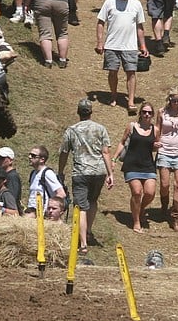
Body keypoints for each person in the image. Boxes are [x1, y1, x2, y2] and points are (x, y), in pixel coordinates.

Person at [58, 98, 114, 254]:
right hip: (99, 171)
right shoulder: (100, 129)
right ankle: (88, 231)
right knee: (93, 201)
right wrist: (110, 173)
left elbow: (64, 153)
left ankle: (82, 243)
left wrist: (61, 171)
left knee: (81, 206)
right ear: (91, 112)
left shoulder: (71, 130)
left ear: (78, 112)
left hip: (81, 172)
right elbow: (105, 152)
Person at [96, 0, 149, 112]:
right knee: (112, 72)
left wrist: (142, 46)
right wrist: (100, 42)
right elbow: (101, 22)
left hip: (130, 46)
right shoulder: (109, 2)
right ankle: (113, 96)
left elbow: (139, 26)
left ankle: (130, 101)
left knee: (131, 73)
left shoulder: (136, 4)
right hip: (112, 45)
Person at [114, 104, 160, 233]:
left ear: (152, 115)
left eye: (149, 113)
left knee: (150, 193)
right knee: (137, 192)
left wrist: (156, 146)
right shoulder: (132, 126)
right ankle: (136, 221)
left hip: (148, 165)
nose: (147, 115)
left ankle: (140, 208)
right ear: (140, 113)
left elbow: (154, 148)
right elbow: (122, 142)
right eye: (144, 112)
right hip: (132, 164)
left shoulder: (155, 130)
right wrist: (114, 158)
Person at [156, 87, 178, 231]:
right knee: (164, 184)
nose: (176, 103)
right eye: (173, 100)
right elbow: (157, 129)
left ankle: (175, 216)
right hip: (165, 150)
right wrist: (156, 144)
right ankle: (164, 207)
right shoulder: (161, 112)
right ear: (169, 99)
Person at [24, 145, 66, 216]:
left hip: (42, 215)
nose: (30, 157)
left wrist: (49, 209)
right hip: (32, 213)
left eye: (33, 155)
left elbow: (61, 193)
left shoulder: (47, 173)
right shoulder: (33, 173)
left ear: (42, 159)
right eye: (29, 154)